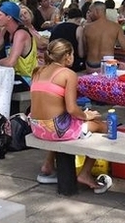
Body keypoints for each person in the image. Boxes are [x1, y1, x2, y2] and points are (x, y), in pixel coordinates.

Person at [29, 39, 112, 193]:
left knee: (66, 121)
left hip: (36, 126)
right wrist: (86, 116)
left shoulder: (38, 71)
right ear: (67, 56)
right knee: (104, 126)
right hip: (56, 130)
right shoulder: (68, 74)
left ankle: (48, 164)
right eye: (72, 54)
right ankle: (85, 173)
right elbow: (72, 109)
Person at [0, 1, 37, 91]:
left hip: (26, 78)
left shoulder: (20, 33)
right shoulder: (5, 31)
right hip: (11, 75)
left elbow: (11, 62)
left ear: (9, 17)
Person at [82, 1, 125, 72]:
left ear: (96, 12)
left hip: (90, 66)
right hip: (108, 65)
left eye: (90, 11)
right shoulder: (116, 27)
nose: (89, 14)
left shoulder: (87, 28)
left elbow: (84, 50)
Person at [49, 7, 86, 72]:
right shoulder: (79, 29)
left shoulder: (56, 28)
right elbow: (81, 53)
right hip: (73, 65)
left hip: (56, 63)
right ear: (79, 19)